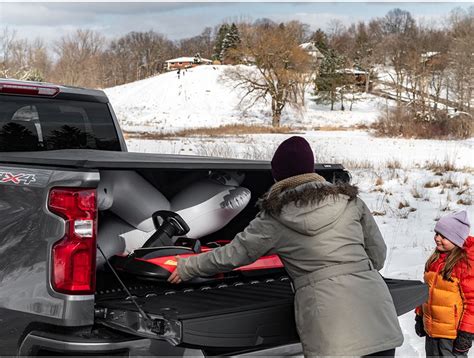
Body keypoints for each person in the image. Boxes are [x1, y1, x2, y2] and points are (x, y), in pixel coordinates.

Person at [168, 136, 403, 357]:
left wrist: (189, 266)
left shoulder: (275, 217)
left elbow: (234, 254)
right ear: (311, 168)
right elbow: (378, 256)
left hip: (330, 324)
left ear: (277, 176)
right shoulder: (351, 202)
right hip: (375, 312)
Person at [415, 211, 474, 357]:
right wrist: (419, 316)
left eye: (444, 236)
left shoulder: (465, 265)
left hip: (452, 336)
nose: (437, 239)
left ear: (456, 239)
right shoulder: (434, 260)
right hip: (432, 330)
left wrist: (466, 333)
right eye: (437, 233)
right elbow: (425, 292)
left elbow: (472, 302)